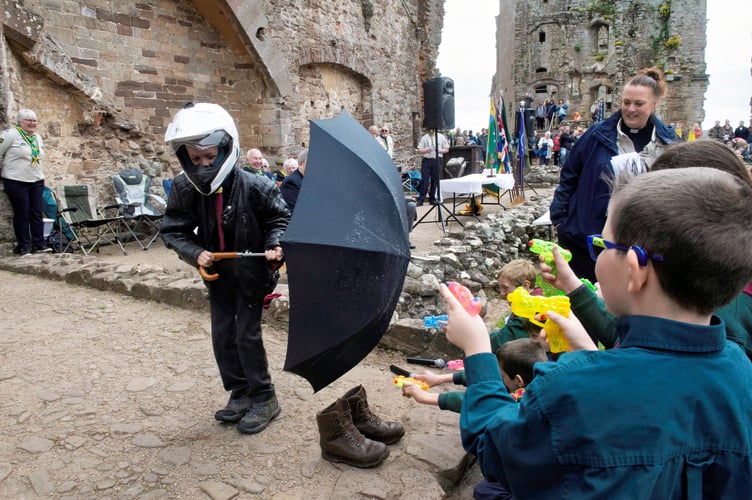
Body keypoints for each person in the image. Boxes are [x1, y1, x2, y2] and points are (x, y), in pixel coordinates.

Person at [442, 167, 752, 497]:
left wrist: (476, 349)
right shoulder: (741, 373)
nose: (598, 253)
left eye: (602, 244)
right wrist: (589, 350)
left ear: (635, 269)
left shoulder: (569, 387)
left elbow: (496, 448)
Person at [544, 140, 752, 358]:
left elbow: (650, 378)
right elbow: (635, 341)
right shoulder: (699, 293)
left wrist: (589, 363)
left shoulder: (730, 327)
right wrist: (572, 286)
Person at [159, 102, 290, 434]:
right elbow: (174, 230)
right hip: (218, 276)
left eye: (210, 157)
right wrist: (196, 253)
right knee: (222, 335)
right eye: (196, 159)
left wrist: (276, 245)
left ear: (226, 148)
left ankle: (265, 397)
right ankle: (240, 392)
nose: (204, 164)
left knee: (246, 334)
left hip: (252, 273)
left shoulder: (256, 184)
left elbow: (280, 218)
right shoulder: (185, 188)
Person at [549, 66, 680, 281]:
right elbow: (570, 174)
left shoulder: (669, 143)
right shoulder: (596, 135)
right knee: (587, 303)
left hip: (644, 241)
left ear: (654, 104)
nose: (631, 109)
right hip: (590, 236)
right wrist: (560, 219)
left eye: (639, 104)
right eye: (626, 102)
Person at [0, 109, 51, 255]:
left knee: (36, 212)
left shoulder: (37, 137)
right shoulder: (10, 135)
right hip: (16, 180)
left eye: (34, 120)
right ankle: (24, 246)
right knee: (22, 213)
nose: (32, 123)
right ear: (20, 122)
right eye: (28, 120)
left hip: (36, 179)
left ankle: (39, 244)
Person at [415, 128, 449, 206]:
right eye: (430, 128)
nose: (431, 129)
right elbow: (419, 150)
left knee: (435, 180)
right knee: (425, 180)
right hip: (427, 160)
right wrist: (426, 150)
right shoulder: (425, 137)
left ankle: (432, 198)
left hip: (437, 160)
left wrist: (439, 150)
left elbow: (447, 149)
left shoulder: (441, 137)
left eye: (433, 128)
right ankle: (421, 199)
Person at [279, 149, 307, 213]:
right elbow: (295, 212)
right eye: (309, 163)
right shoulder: (291, 182)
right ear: (300, 164)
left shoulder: (309, 179)